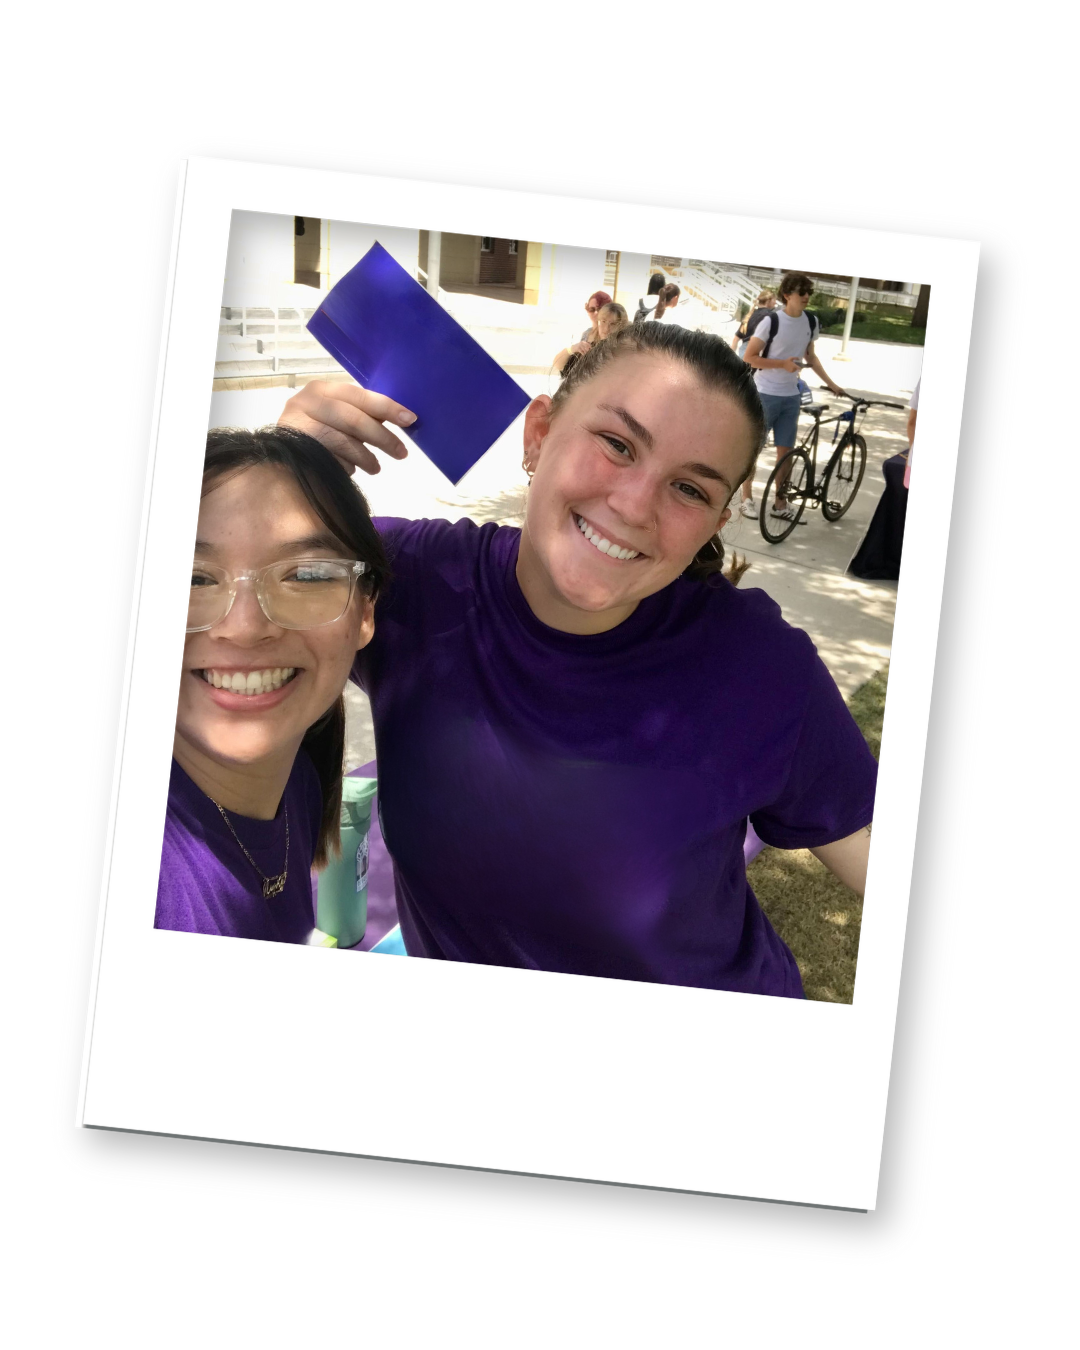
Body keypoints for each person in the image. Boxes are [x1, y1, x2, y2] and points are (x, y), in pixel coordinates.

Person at [278, 324, 878, 998]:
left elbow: (869, 852)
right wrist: (282, 480)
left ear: (716, 520)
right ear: (539, 434)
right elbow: (218, 610)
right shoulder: (411, 587)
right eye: (618, 445)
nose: (633, 506)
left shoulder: (759, 668)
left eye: (690, 489)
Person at [155, 426, 390, 943]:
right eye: (192, 577)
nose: (244, 627)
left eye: (306, 576)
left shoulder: (302, 781)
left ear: (365, 609)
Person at [738, 272, 846, 521]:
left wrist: (832, 384)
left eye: (809, 292)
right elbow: (749, 357)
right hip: (764, 394)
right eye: (801, 292)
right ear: (787, 295)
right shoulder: (771, 322)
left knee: (785, 453)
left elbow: (811, 357)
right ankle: (746, 498)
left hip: (791, 397)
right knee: (753, 450)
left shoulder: (810, 321)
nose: (807, 296)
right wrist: (781, 364)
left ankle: (780, 503)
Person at [557, 302, 630, 379]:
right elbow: (559, 366)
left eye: (613, 324)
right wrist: (571, 349)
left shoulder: (626, 353)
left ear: (622, 326)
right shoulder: (590, 348)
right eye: (603, 321)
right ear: (598, 322)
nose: (606, 328)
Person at [552, 290, 613, 374]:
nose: (595, 313)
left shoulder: (612, 334)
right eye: (591, 309)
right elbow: (558, 364)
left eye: (599, 309)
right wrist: (573, 348)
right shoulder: (586, 333)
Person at [731, 290, 776, 358]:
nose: (775, 302)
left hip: (744, 354)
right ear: (768, 301)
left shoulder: (749, 316)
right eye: (774, 300)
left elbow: (735, 340)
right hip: (758, 354)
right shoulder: (771, 316)